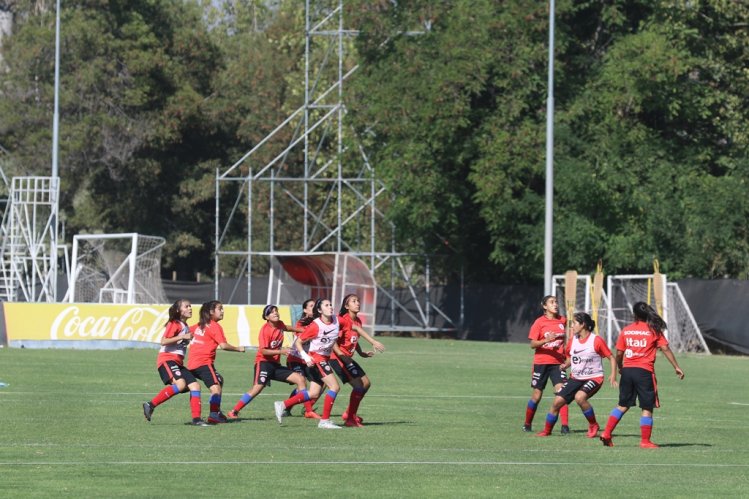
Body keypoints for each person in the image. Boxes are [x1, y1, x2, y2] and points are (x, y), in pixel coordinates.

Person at [600, 302, 685, 448]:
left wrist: (621, 367)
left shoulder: (626, 330)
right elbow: (665, 349)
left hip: (628, 371)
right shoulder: (654, 330)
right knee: (647, 407)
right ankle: (645, 441)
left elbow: (619, 353)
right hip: (644, 372)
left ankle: (606, 433)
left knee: (622, 405)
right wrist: (676, 367)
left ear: (634, 314)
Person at [536, 312, 617, 438]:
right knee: (557, 402)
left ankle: (593, 425)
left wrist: (613, 374)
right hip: (575, 378)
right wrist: (565, 365)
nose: (571, 326)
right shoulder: (572, 340)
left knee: (580, 397)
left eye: (574, 323)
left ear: (583, 324)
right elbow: (570, 358)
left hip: (594, 377)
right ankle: (547, 431)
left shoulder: (596, 340)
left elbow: (611, 357)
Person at [226, 304, 311, 420]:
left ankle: (307, 411)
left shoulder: (279, 324)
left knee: (300, 379)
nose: (275, 313)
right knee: (257, 389)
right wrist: (281, 351)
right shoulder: (265, 331)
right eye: (272, 312)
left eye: (276, 311)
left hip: (275, 365)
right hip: (263, 363)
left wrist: (305, 330)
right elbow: (263, 351)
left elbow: (288, 328)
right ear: (266, 317)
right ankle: (234, 411)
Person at [276, 298, 343, 429]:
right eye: (326, 305)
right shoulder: (315, 325)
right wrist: (305, 356)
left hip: (324, 358)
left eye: (330, 304)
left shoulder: (336, 320)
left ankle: (283, 405)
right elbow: (298, 342)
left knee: (313, 393)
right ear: (319, 310)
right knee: (334, 387)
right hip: (317, 358)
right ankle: (324, 421)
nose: (330, 307)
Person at [142, 299, 209, 426]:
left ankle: (197, 420)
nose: (190, 308)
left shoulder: (185, 326)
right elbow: (163, 341)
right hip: (167, 360)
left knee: (195, 386)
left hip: (177, 363)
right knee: (181, 384)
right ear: (179, 310)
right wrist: (182, 337)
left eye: (190, 306)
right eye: (186, 306)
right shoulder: (175, 323)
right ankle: (150, 405)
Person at [187, 300, 246, 424]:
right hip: (203, 363)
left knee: (219, 380)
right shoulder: (214, 326)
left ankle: (216, 412)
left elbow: (185, 331)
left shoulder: (199, 325)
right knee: (216, 388)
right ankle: (213, 415)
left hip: (192, 364)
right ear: (211, 312)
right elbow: (223, 345)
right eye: (220, 309)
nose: (222, 311)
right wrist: (238, 349)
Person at [331, 293, 385, 427]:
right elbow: (333, 340)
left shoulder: (358, 321)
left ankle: (349, 414)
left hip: (347, 358)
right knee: (359, 385)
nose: (357, 303)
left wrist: (360, 352)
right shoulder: (342, 320)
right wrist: (340, 355)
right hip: (337, 358)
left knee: (366, 383)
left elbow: (353, 338)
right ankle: (350, 419)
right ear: (346, 306)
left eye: (358, 301)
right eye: (353, 301)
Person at [523, 295, 569, 433]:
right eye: (552, 302)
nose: (555, 304)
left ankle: (565, 426)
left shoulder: (563, 320)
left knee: (562, 393)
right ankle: (527, 424)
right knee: (537, 396)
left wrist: (567, 357)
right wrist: (545, 340)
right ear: (544, 306)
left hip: (557, 363)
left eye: (556, 302)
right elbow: (532, 344)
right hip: (541, 363)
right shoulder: (539, 322)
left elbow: (566, 341)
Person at [282, 299, 323, 419]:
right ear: (305, 310)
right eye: (311, 306)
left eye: (315, 306)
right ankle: (306, 411)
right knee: (301, 382)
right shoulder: (302, 323)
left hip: (308, 359)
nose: (314, 308)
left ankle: (306, 407)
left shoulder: (318, 322)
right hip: (295, 358)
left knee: (323, 381)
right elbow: (304, 338)